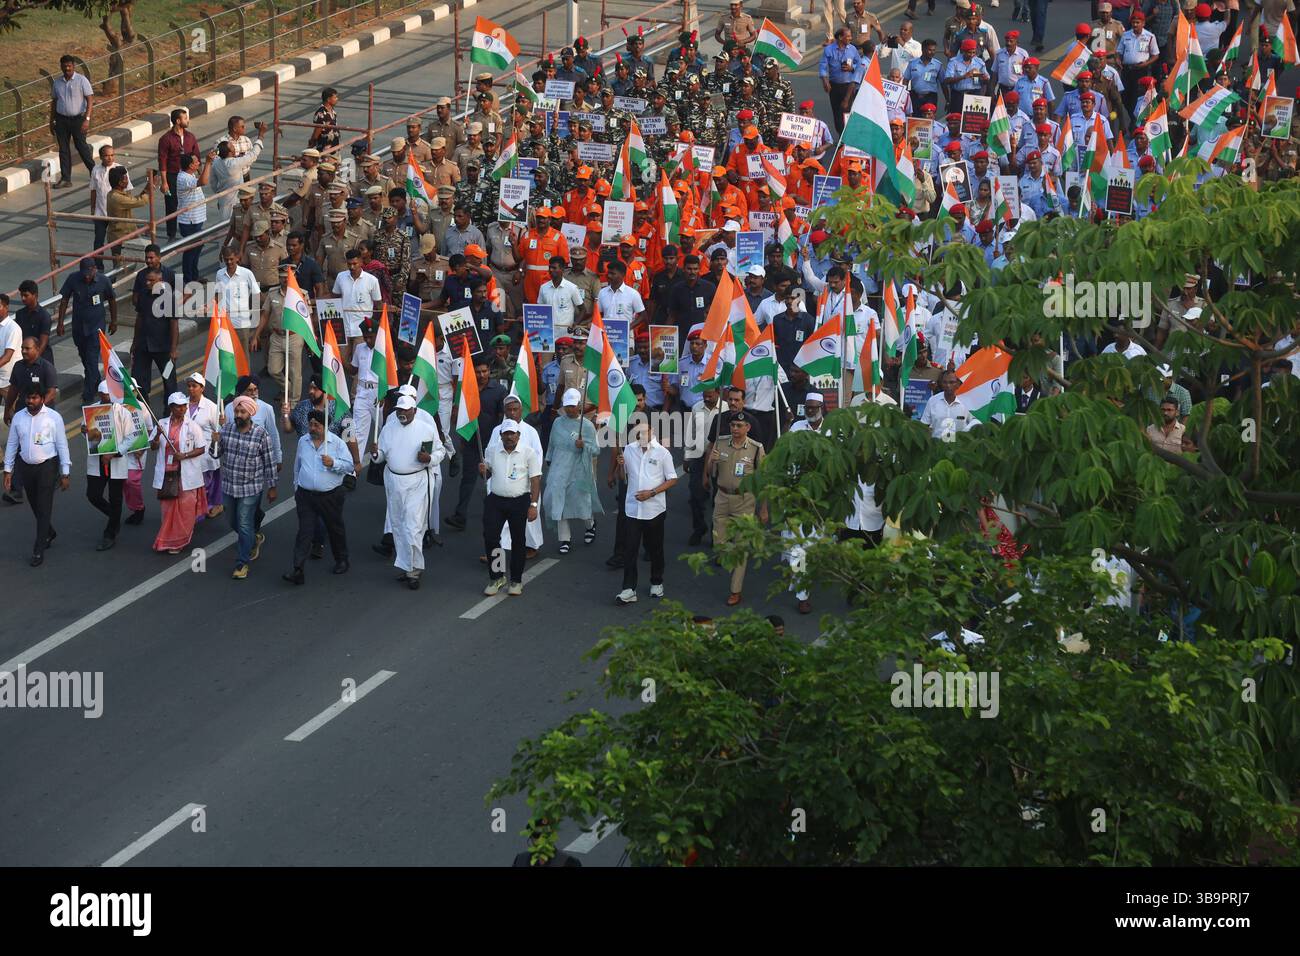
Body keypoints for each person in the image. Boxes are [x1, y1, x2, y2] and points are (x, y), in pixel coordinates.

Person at [377, 393, 444, 590]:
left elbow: (439, 452)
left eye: (406, 410)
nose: (402, 413)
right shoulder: (388, 428)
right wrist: (375, 454)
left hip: (417, 482)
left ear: (414, 410)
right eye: (399, 410)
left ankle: (415, 570)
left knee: (413, 527)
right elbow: (381, 454)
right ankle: (406, 566)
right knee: (397, 526)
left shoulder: (426, 429)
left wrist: (429, 459)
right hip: (393, 481)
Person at [282, 408, 352, 585]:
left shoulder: (336, 443)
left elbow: (349, 465)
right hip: (306, 496)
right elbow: (297, 465)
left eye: (316, 425)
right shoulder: (303, 441)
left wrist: (333, 463)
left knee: (335, 528)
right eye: (310, 424)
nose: (312, 428)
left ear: (325, 426)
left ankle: (342, 560)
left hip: (330, 496)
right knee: (305, 532)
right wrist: (297, 487)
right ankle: (298, 569)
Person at [212, 394, 278, 579]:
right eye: (237, 411)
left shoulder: (260, 434)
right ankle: (253, 537)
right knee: (233, 521)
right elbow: (216, 455)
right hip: (229, 487)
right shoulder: (226, 430)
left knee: (243, 522)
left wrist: (272, 486)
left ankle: (242, 563)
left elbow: (269, 461)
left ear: (250, 414)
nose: (239, 414)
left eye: (242, 411)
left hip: (250, 487)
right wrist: (215, 441)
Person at [3, 387, 70, 566]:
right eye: (28, 398)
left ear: (41, 398)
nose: (30, 401)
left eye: (34, 398)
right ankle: (49, 531)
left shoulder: (53, 418)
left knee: (44, 507)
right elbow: (11, 445)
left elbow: (62, 445)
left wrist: (65, 472)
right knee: (35, 506)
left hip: (47, 467)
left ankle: (38, 550)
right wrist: (8, 471)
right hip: (26, 467)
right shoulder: (19, 418)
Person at [614, 419, 678, 605]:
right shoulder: (628, 449)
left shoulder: (662, 453)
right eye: (638, 430)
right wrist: (620, 466)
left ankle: (657, 582)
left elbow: (672, 479)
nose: (642, 434)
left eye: (645, 430)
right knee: (630, 550)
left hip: (654, 510)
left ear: (652, 430)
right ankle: (628, 589)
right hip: (633, 510)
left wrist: (651, 493)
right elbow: (622, 478)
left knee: (655, 549)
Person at [708, 413, 767, 605]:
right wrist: (711, 461)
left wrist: (763, 508)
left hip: (744, 501)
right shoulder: (721, 443)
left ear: (747, 428)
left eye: (739, 425)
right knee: (719, 544)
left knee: (742, 548)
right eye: (733, 425)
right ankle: (728, 555)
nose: (735, 429)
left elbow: (763, 481)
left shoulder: (756, 449)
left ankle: (735, 590)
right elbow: (710, 472)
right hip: (722, 498)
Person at [480, 420, 543, 597]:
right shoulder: (492, 450)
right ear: (500, 435)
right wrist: (483, 470)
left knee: (518, 541)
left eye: (512, 433)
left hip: (519, 501)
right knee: (491, 538)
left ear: (518, 435)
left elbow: (535, 479)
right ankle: (497, 577)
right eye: (505, 433)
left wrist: (533, 504)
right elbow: (488, 474)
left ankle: (516, 580)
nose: (509, 437)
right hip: (496, 500)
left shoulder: (528, 453)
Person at [446, 358, 506, 530]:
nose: (482, 375)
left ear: (489, 370)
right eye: (478, 372)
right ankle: (460, 516)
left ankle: (499, 513)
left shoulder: (499, 390)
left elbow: (503, 417)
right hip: (472, 442)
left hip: (492, 445)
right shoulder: (466, 390)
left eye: (485, 371)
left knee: (494, 479)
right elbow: (457, 416)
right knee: (468, 479)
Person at [485, 394, 545, 558]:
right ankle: (499, 553)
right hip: (500, 482)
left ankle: (531, 546)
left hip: (523, 483)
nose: (512, 413)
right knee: (497, 523)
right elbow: (489, 454)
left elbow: (537, 457)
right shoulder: (497, 431)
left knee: (526, 520)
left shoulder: (530, 432)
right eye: (509, 410)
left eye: (515, 409)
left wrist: (531, 479)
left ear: (521, 410)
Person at [544, 388, 601, 553]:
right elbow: (552, 443)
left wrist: (584, 446)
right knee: (557, 500)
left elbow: (596, 450)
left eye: (572, 406)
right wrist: (549, 458)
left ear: (579, 405)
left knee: (581, 500)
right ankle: (564, 539)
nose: (569, 409)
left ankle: (590, 525)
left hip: (579, 469)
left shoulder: (588, 426)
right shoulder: (557, 422)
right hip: (559, 467)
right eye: (566, 406)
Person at [151, 391, 207, 554]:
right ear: (171, 408)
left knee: (185, 508)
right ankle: (167, 539)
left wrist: (185, 455)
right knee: (168, 508)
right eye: (178, 407)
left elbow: (201, 448)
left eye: (184, 406)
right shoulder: (161, 424)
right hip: (167, 474)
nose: (182, 409)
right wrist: (157, 436)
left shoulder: (193, 426)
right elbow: (153, 447)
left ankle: (179, 540)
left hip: (186, 474)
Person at [55, 258, 116, 403]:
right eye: (84, 273)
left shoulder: (103, 281)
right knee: (86, 360)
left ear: (95, 269)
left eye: (89, 273)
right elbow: (64, 300)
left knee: (92, 361)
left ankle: (88, 397)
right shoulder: (73, 279)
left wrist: (114, 321)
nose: (87, 276)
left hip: (96, 328)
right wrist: (60, 323)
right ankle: (97, 385)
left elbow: (112, 300)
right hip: (79, 328)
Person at [83, 380, 133, 551]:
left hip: (115, 460)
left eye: (108, 397)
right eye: (103, 397)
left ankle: (110, 533)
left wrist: (115, 452)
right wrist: (85, 432)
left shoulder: (123, 412)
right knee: (93, 495)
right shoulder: (92, 411)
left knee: (115, 497)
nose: (106, 400)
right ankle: (114, 517)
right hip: (97, 460)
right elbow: (89, 437)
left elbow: (130, 438)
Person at [49, 55, 96, 189]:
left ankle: (95, 173)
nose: (67, 69)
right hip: (61, 119)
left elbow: (90, 99)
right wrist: (51, 120)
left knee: (81, 146)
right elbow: (54, 101)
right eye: (64, 67)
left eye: (69, 66)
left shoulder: (82, 80)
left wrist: (87, 119)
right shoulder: (57, 83)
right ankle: (65, 178)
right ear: (61, 67)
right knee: (63, 149)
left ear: (73, 66)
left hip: (78, 119)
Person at [684, 385, 720, 545]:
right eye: (705, 395)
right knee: (696, 494)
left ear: (718, 393)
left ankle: (717, 534)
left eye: (710, 395)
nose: (706, 398)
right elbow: (690, 433)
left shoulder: (726, 408)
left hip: (719, 457)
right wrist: (687, 455)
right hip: (699, 455)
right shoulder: (696, 408)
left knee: (718, 498)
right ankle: (699, 528)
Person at [176, 150, 217, 284]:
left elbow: (202, 177)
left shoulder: (191, 175)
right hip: (189, 221)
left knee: (197, 248)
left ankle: (194, 275)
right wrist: (208, 163)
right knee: (190, 251)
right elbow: (204, 181)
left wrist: (206, 164)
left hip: (196, 219)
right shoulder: (184, 178)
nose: (199, 163)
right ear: (190, 165)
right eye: (196, 162)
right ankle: (189, 279)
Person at [185, 372, 222, 517]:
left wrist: (219, 431)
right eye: (189, 386)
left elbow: (218, 429)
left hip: (205, 452)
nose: (191, 389)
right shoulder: (183, 404)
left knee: (205, 484)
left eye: (194, 386)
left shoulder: (211, 407)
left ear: (202, 388)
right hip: (188, 450)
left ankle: (201, 510)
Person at [158, 108, 199, 240]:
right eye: (185, 118)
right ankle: (171, 233)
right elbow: (162, 161)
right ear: (177, 121)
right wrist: (164, 182)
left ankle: (187, 229)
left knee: (188, 203)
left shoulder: (190, 137)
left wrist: (197, 173)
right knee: (171, 204)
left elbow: (197, 155)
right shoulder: (165, 139)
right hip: (172, 176)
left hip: (188, 175)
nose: (188, 120)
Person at [921, 368, 980, 439]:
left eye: (952, 382)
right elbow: (924, 425)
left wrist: (965, 432)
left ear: (958, 384)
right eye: (945, 382)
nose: (948, 385)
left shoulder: (967, 401)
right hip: (937, 446)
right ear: (941, 384)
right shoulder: (933, 401)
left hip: (960, 446)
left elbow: (976, 421)